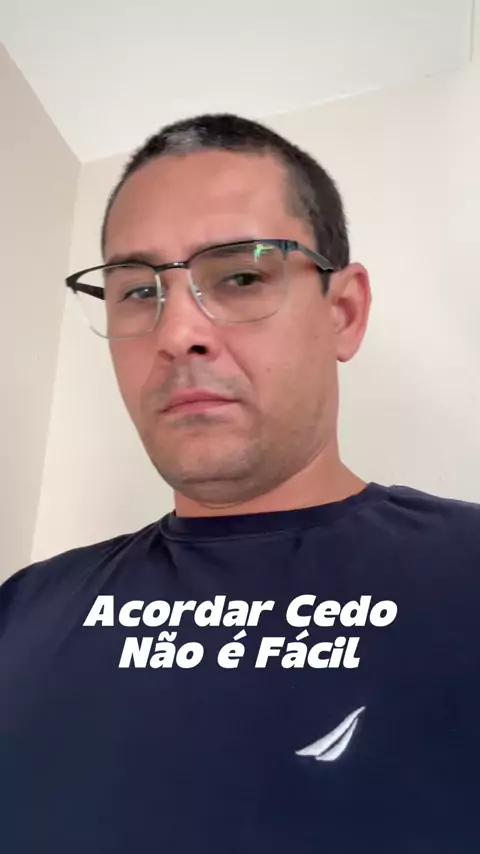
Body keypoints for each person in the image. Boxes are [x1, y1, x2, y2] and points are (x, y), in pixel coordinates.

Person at [1, 113, 479, 854]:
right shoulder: (22, 609)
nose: (175, 334)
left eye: (243, 276)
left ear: (343, 312)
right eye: (138, 291)